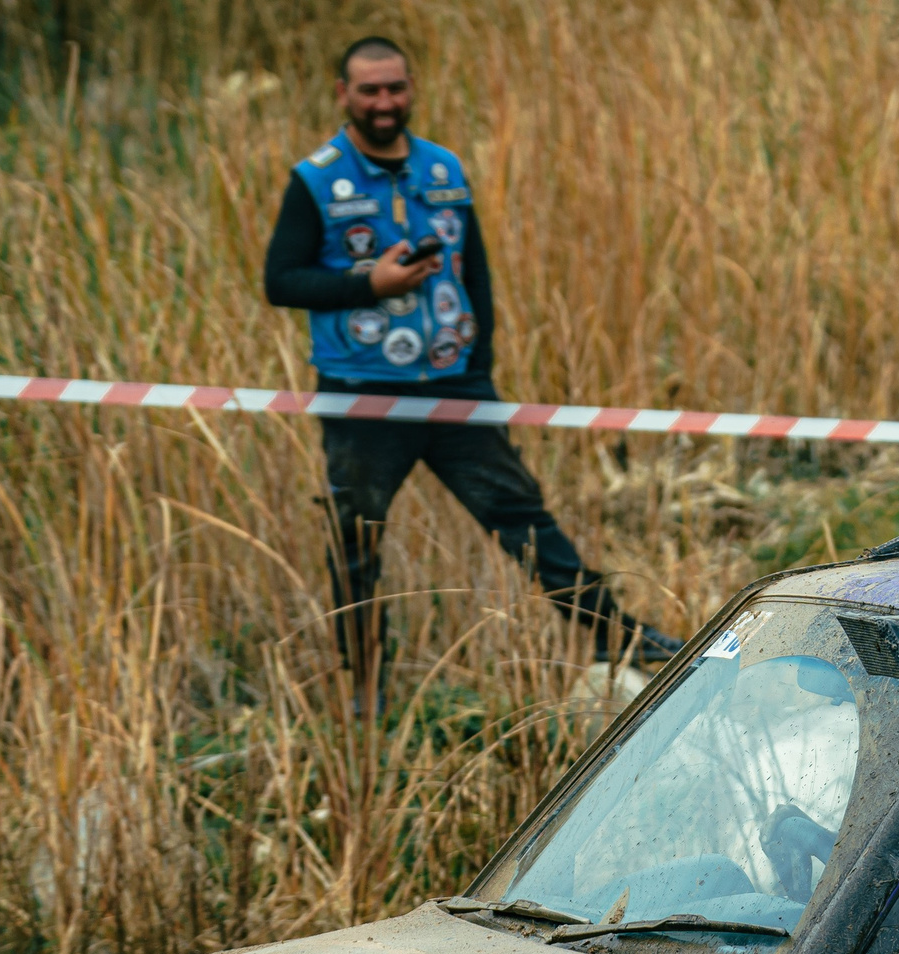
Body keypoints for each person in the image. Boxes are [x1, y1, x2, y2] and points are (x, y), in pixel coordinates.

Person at [262, 36, 678, 697]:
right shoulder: (316, 179)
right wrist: (369, 285)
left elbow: (474, 272)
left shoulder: (443, 169)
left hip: (455, 386)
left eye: (395, 87)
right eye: (369, 90)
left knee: (521, 514)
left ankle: (616, 635)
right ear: (343, 94)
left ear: (411, 88)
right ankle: (365, 688)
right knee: (356, 539)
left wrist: (480, 363)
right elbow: (281, 281)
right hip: (364, 395)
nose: (384, 102)